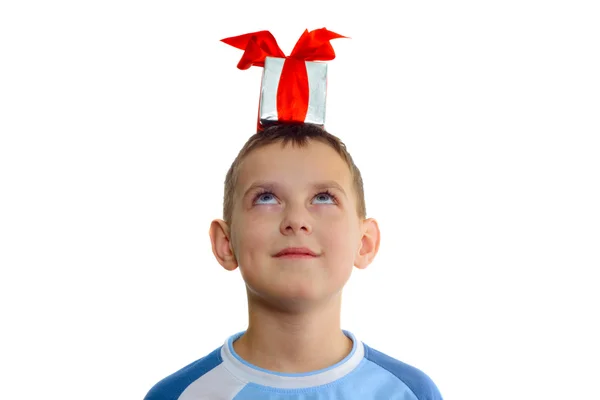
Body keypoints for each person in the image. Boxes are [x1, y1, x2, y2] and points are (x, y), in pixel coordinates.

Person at [144, 123, 443, 399]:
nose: (296, 220)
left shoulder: (409, 393)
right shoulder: (179, 395)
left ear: (364, 243)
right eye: (266, 198)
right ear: (225, 243)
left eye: (324, 197)